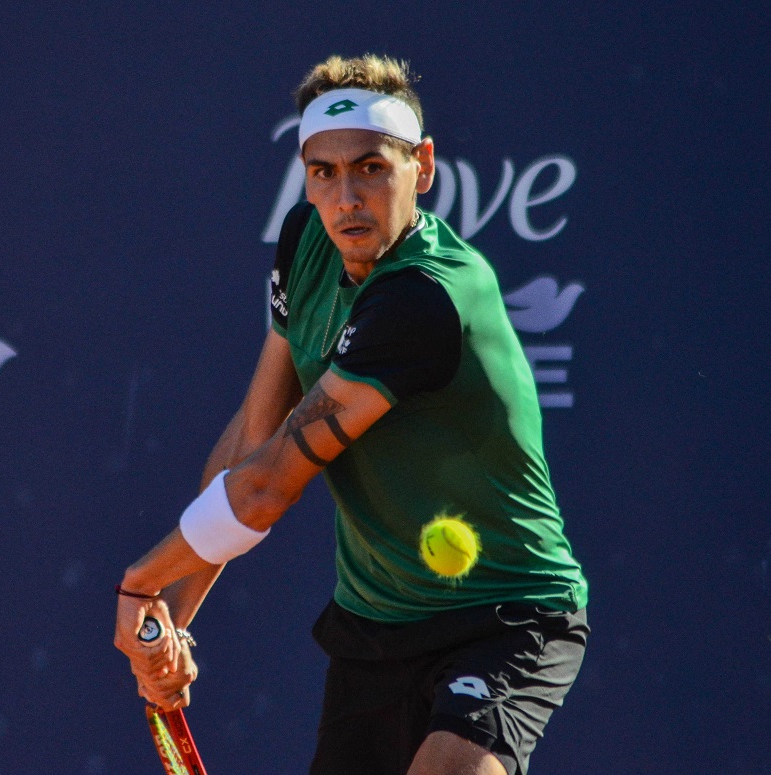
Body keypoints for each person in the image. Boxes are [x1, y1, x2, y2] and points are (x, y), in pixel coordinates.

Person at [114, 54, 588, 775]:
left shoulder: (423, 298)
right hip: (376, 624)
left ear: (421, 167)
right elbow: (254, 437)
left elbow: (270, 483)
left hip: (506, 614)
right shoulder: (305, 242)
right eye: (324, 172)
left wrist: (140, 581)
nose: (346, 199)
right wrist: (173, 621)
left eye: (371, 167)